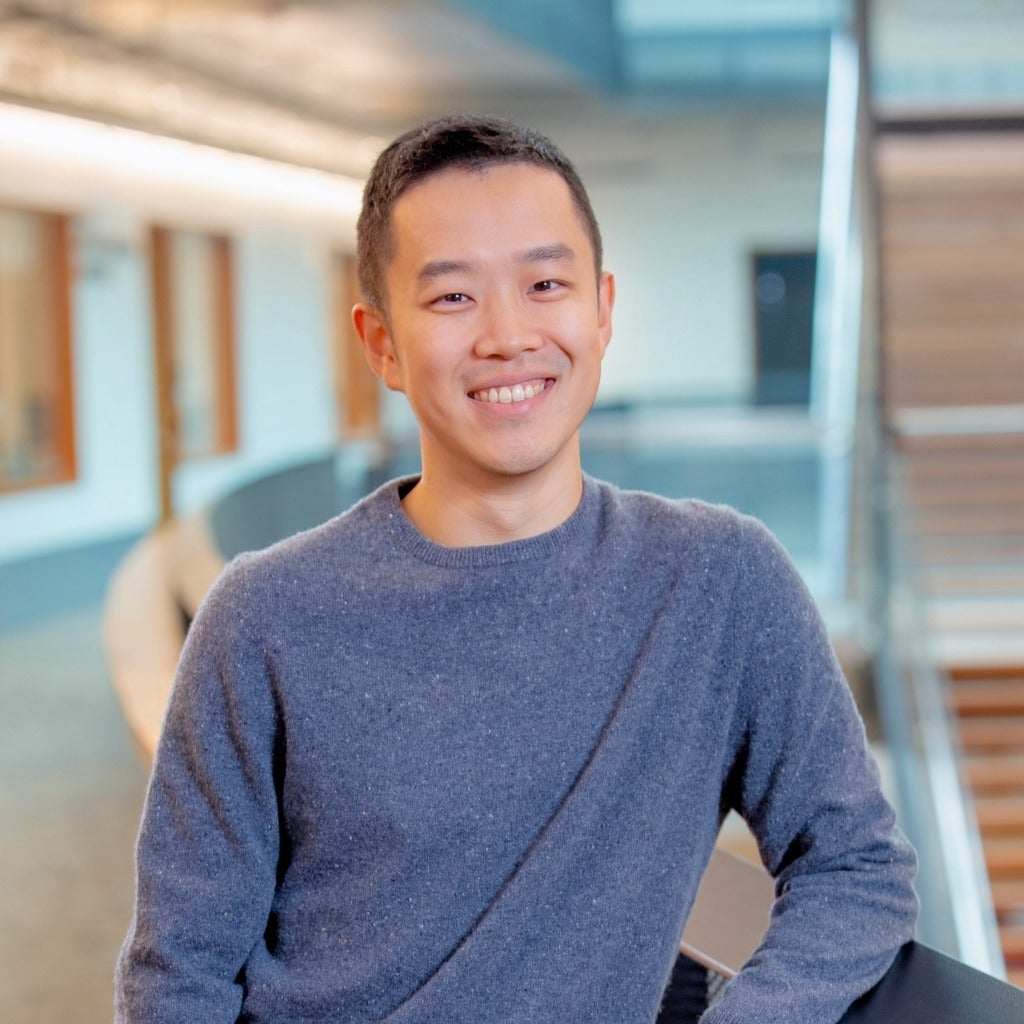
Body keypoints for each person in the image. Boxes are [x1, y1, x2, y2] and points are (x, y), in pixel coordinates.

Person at [115, 114, 918, 1024]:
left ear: (603, 310)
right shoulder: (264, 616)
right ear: (380, 342)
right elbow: (175, 976)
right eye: (452, 298)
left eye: (545, 283)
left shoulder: (718, 582)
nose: (508, 336)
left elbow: (856, 864)